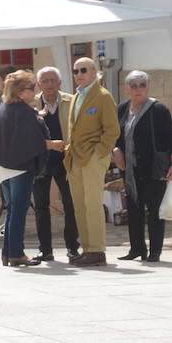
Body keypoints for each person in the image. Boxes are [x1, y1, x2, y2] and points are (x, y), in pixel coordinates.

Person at [0, 70, 65, 267]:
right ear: (20, 91)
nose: (35, 91)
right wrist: (53, 144)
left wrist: (36, 115)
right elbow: (32, 142)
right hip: (19, 168)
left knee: (12, 211)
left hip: (3, 168)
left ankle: (7, 253)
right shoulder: (22, 111)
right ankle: (16, 254)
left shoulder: (5, 107)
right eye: (31, 87)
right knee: (18, 212)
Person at [112, 71, 172, 263]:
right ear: (127, 89)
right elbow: (115, 135)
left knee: (155, 210)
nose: (138, 89)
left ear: (148, 87)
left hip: (153, 169)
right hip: (131, 170)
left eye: (142, 85)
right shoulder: (123, 108)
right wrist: (115, 150)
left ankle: (155, 251)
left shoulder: (158, 109)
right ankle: (136, 249)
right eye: (133, 86)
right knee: (134, 209)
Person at [64, 57, 120, 267]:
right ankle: (87, 249)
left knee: (93, 205)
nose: (79, 75)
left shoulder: (103, 96)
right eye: (75, 71)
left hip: (92, 158)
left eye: (83, 70)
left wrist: (99, 154)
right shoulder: (77, 96)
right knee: (80, 206)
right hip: (75, 158)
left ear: (94, 71)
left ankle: (97, 250)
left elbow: (112, 130)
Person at [31, 67, 81, 263]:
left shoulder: (72, 101)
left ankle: (72, 248)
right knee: (41, 206)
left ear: (60, 83)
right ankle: (45, 250)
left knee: (71, 204)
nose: (50, 84)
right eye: (45, 81)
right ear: (39, 84)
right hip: (40, 162)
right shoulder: (31, 104)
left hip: (66, 161)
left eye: (53, 80)